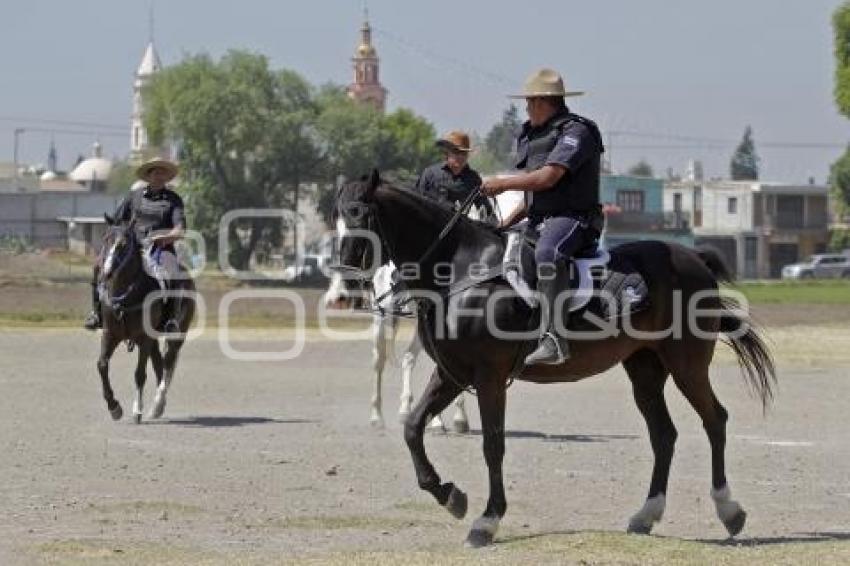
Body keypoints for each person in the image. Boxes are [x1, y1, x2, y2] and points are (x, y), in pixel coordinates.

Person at [481, 68, 604, 365]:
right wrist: (503, 225)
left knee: (548, 252)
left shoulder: (577, 132)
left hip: (574, 219)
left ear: (541, 101)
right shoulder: (533, 135)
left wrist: (502, 183)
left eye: (528, 102)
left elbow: (548, 178)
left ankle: (554, 339)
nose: (526, 108)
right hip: (540, 219)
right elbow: (532, 195)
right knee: (502, 256)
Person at [84, 158, 186, 333]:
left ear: (167, 177)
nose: (159, 176)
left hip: (160, 249)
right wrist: (107, 246)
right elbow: (116, 223)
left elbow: (180, 230)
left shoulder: (174, 200)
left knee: (173, 271)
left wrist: (166, 236)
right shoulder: (134, 196)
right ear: (148, 175)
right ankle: (97, 313)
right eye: (155, 172)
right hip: (131, 247)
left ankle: (170, 320)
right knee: (98, 267)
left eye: (162, 173)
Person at [415, 131, 494, 219]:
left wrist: (495, 227)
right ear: (447, 153)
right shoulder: (430, 174)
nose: (460, 156)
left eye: (464, 153)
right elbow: (416, 202)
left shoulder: (473, 179)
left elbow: (488, 213)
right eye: (456, 152)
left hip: (458, 228)